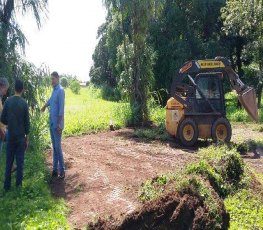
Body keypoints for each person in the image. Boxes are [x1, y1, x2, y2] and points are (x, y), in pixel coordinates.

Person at [1, 79, 30, 191]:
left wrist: (10, 121)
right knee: (20, 162)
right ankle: (18, 187)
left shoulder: (8, 101)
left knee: (9, 162)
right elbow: (27, 123)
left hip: (11, 136)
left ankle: (6, 186)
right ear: (22, 89)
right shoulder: (24, 103)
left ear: (14, 88)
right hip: (20, 138)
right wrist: (27, 138)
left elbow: (3, 119)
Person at [41, 71, 65, 179]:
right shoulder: (54, 91)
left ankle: (62, 170)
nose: (51, 81)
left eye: (53, 79)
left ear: (57, 78)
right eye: (51, 79)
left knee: (58, 148)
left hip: (57, 125)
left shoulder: (60, 91)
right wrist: (44, 106)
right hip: (52, 124)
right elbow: (50, 101)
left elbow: (61, 110)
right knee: (54, 148)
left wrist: (60, 126)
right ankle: (55, 170)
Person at [0, 78, 9, 159]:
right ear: (1, 86)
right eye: (5, 89)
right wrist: (1, 130)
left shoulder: (0, 99)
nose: (5, 92)